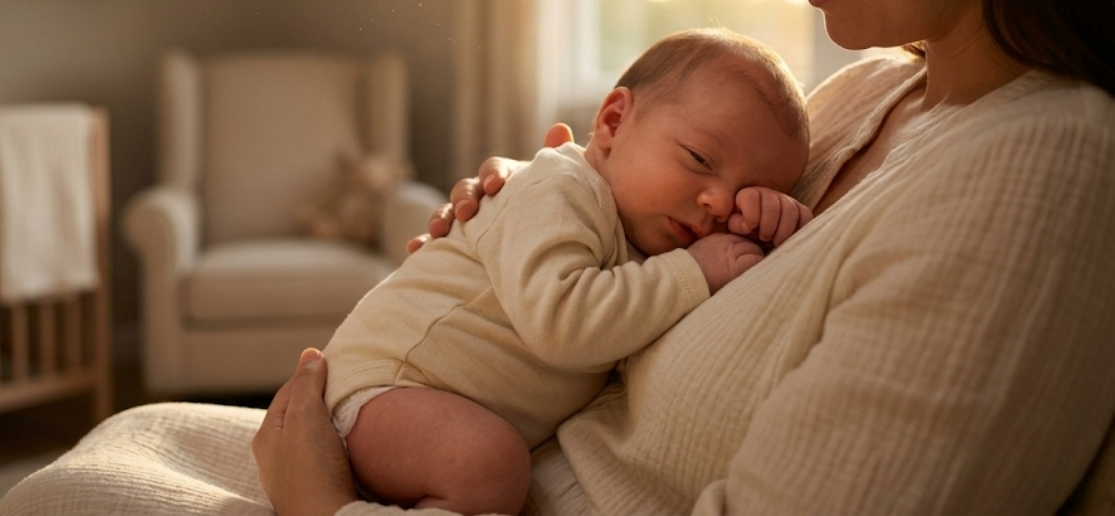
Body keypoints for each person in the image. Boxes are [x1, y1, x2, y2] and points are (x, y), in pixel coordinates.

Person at [253, 0, 1115, 514]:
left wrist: (319, 507)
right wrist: (537, 208)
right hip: (474, 435)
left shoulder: (1040, 165)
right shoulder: (866, 93)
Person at [321, 29, 811, 515]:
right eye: (700, 159)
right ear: (614, 122)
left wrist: (765, 232)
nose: (719, 203)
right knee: (488, 466)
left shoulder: (644, 242)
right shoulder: (560, 189)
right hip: (386, 386)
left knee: (490, 466)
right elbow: (563, 323)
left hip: (429, 406)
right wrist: (695, 272)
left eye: (746, 193)